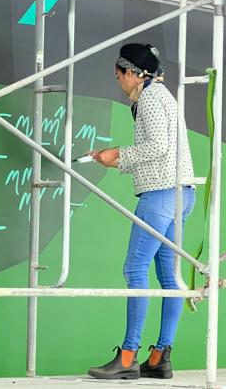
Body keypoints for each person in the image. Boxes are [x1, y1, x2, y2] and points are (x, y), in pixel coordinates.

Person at [86, 43, 196, 380]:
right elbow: (162, 149)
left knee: (135, 270)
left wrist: (116, 154)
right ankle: (160, 356)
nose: (118, 83)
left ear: (133, 73)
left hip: (160, 196)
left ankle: (128, 356)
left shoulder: (149, 98)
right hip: (182, 194)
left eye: (119, 75)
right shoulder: (163, 96)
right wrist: (118, 158)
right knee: (169, 278)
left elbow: (158, 147)